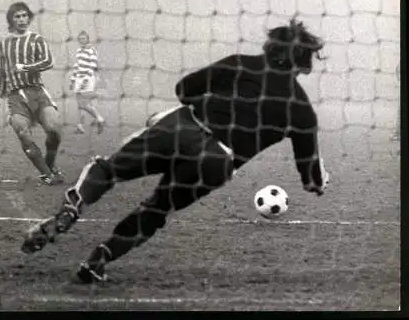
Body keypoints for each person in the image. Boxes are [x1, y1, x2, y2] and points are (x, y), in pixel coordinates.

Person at [21, 19, 330, 283]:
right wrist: (319, 177)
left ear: (270, 46)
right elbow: (311, 181)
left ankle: (73, 206)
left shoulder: (239, 63)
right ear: (303, 63)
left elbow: (184, 89)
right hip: (216, 162)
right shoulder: (302, 111)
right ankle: (98, 261)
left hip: (181, 128)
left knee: (107, 169)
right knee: (155, 210)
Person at [0, 2, 64, 185]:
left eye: (24, 15)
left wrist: (27, 67)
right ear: (11, 19)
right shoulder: (4, 43)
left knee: (54, 130)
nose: (22, 19)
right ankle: (47, 174)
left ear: (29, 18)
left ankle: (49, 164)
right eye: (17, 16)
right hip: (15, 96)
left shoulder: (36, 39)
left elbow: (48, 61)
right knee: (23, 133)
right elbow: (3, 70)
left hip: (37, 92)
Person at [69, 30, 105, 134]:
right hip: (78, 78)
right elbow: (77, 65)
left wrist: (85, 80)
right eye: (80, 39)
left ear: (87, 39)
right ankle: (80, 126)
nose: (81, 40)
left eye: (83, 38)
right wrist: (72, 79)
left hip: (87, 78)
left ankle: (99, 118)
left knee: (83, 104)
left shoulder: (91, 50)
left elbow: (92, 66)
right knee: (80, 104)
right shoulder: (79, 50)